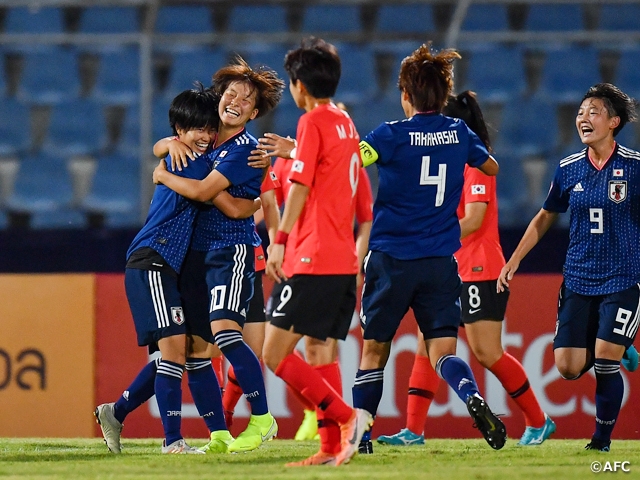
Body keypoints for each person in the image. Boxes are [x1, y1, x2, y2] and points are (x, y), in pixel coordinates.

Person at [376, 91, 555, 450]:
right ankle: (413, 430)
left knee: (487, 351)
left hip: (479, 268)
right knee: (430, 346)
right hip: (450, 267)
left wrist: (430, 232)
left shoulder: (476, 163)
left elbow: (474, 218)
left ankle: (539, 420)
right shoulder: (451, 161)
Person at [351, 43, 507, 453]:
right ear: (443, 96)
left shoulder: (387, 135)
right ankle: (470, 394)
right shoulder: (460, 133)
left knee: (374, 349)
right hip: (440, 261)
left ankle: (362, 437)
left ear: (405, 95)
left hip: (390, 259)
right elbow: (490, 165)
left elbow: (354, 161)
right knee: (442, 350)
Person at [94, 85, 259, 454]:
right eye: (193, 129)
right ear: (179, 130)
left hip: (175, 265)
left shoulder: (189, 152)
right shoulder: (195, 162)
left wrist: (165, 148)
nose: (203, 135)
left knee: (191, 352)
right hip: (153, 258)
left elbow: (165, 148)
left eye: (207, 128)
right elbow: (228, 205)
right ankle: (172, 442)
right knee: (174, 353)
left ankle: (117, 412)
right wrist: (260, 198)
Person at [497, 83, 640, 452]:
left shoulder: (634, 169)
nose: (583, 118)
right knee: (568, 367)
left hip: (622, 277)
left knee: (605, 361)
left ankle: (601, 441)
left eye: (593, 112)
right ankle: (618, 343)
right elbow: (545, 217)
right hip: (578, 277)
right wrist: (514, 259)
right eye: (580, 112)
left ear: (613, 122)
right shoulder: (568, 169)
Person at [153, 57, 285, 453]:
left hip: (231, 250)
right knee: (193, 347)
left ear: (254, 112)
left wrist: (161, 174)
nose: (236, 101)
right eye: (231, 93)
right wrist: (168, 144)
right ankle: (218, 433)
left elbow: (208, 196)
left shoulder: (245, 148)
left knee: (226, 335)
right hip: (199, 252)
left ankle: (262, 419)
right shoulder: (209, 139)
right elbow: (163, 143)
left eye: (246, 100)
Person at [260, 37, 372, 467]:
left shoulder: (312, 122)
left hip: (311, 256)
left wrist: (279, 242)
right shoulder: (345, 121)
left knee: (274, 353)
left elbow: (301, 187)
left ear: (299, 86)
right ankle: (328, 448)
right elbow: (348, 188)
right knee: (318, 352)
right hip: (342, 257)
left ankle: (347, 419)